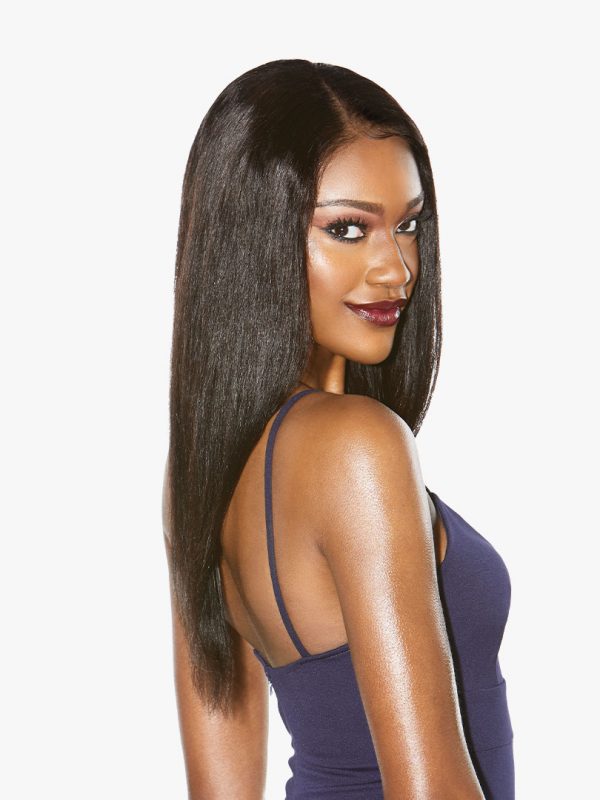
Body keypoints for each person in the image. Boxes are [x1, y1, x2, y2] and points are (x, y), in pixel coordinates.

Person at [162, 59, 514, 799]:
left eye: (408, 225)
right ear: (253, 238)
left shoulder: (201, 469)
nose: (397, 270)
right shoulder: (359, 445)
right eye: (348, 229)